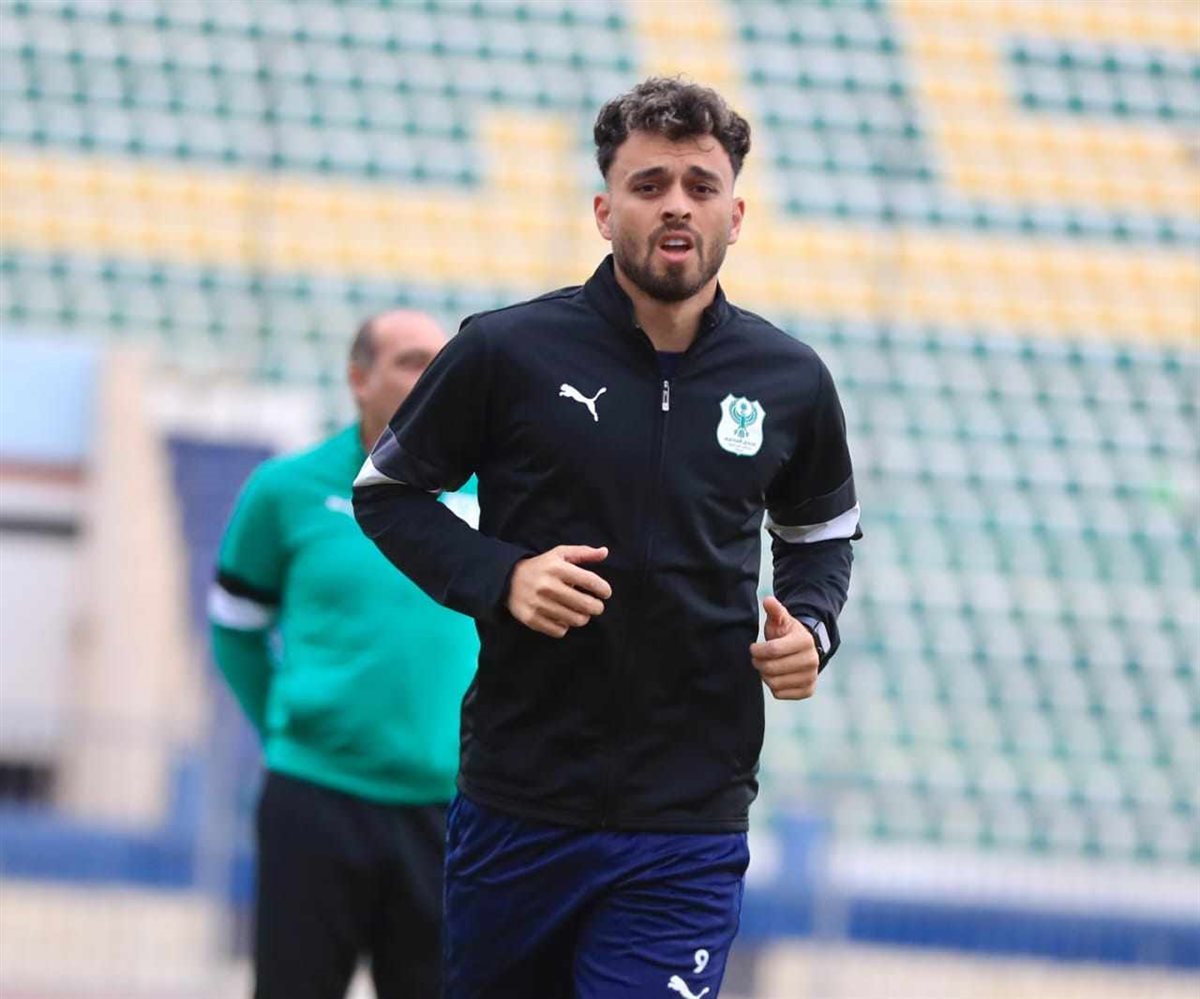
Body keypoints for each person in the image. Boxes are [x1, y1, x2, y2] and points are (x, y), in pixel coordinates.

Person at [354, 78, 861, 998]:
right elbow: (388, 493)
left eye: (701, 186)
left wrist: (812, 626)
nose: (677, 205)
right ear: (603, 210)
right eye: (649, 184)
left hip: (688, 822)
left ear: (736, 215)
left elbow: (822, 532)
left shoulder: (790, 378)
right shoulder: (506, 350)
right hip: (519, 804)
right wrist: (504, 575)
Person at [208, 311, 478, 999]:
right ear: (359, 379)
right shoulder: (284, 489)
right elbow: (236, 629)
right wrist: (291, 726)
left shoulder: (496, 495)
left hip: (450, 814)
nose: (431, 377)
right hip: (315, 800)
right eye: (411, 361)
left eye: (441, 363)